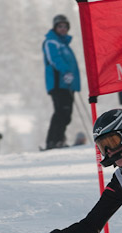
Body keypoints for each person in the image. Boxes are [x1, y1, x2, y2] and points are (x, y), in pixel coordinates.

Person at [42, 14, 81, 150]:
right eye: (60, 26)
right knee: (61, 112)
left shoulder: (63, 43)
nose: (63, 29)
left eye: (65, 26)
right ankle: (53, 141)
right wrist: (66, 72)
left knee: (66, 114)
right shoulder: (51, 42)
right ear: (55, 27)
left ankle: (59, 139)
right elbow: (54, 59)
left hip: (67, 83)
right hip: (58, 83)